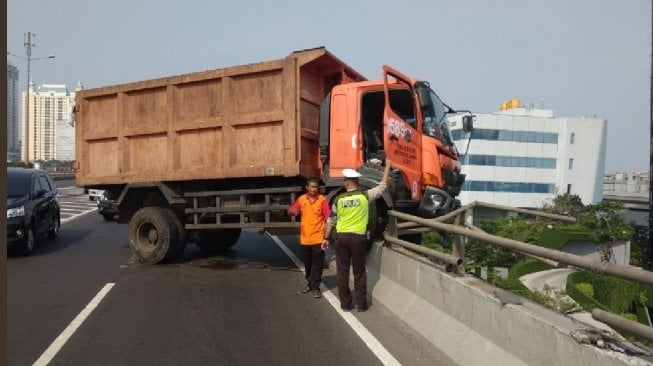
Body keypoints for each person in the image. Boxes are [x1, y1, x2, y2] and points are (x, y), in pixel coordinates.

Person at [322, 159, 392, 312]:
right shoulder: (365, 196)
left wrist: (325, 239)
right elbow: (382, 187)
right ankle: (361, 304)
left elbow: (331, 221)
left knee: (343, 272)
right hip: (358, 240)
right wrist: (386, 167)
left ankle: (345, 304)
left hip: (341, 239)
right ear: (357, 182)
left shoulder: (338, 200)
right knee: (359, 272)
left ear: (347, 183)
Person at [287, 177, 330, 298]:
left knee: (318, 265)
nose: (314, 189)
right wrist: (291, 211)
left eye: (316, 187)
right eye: (312, 186)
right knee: (308, 264)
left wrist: (326, 237)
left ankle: (316, 288)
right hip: (305, 239)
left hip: (318, 238)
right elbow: (292, 210)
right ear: (307, 187)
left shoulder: (322, 200)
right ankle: (310, 283)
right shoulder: (301, 199)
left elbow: (328, 218)